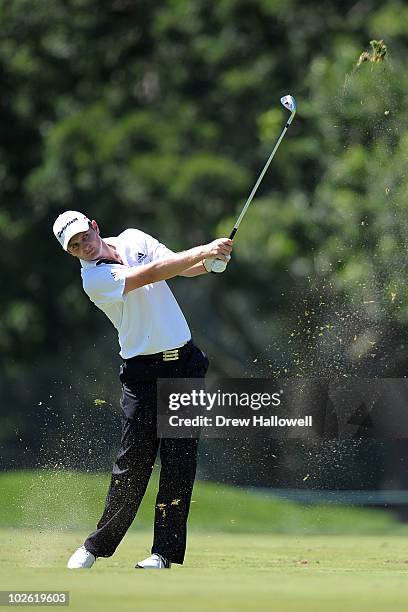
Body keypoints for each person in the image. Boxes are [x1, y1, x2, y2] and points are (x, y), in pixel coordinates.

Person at [52, 210, 233, 570]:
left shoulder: (134, 238)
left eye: (83, 236)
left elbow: (177, 267)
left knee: (180, 462)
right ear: (70, 253)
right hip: (142, 373)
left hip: (185, 364)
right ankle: (96, 546)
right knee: (133, 463)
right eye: (74, 246)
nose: (83, 246)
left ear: (94, 227)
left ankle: (163, 554)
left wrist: (212, 261)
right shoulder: (95, 278)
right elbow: (149, 275)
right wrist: (202, 250)